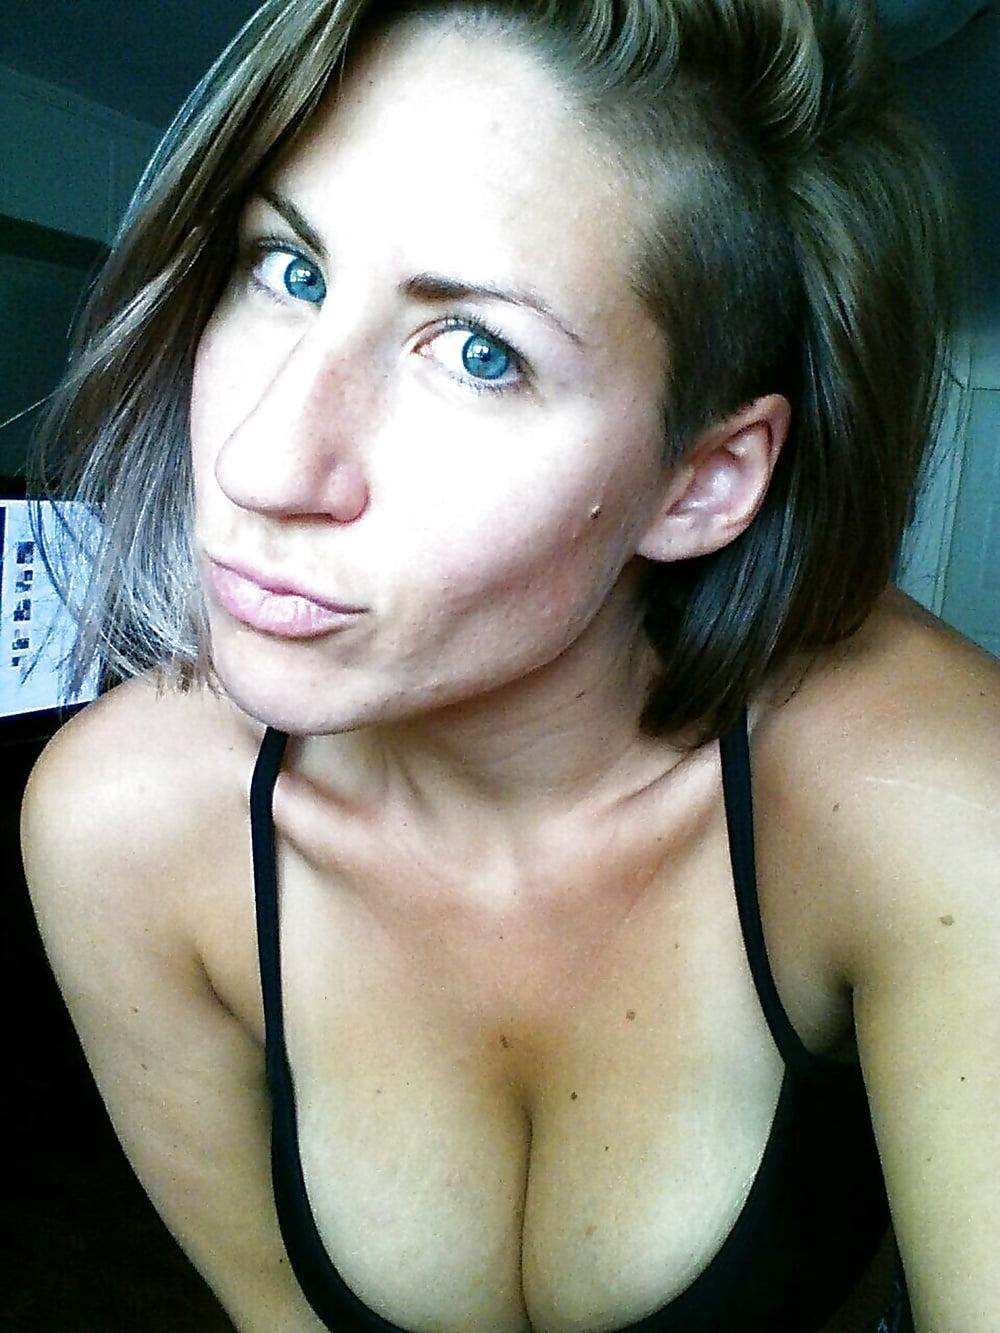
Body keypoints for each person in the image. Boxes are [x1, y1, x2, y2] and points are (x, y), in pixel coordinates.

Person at [18, 1, 1000, 1330]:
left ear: (704, 482)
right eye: (287, 270)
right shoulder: (120, 828)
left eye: (479, 353)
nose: (260, 463)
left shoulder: (931, 797)